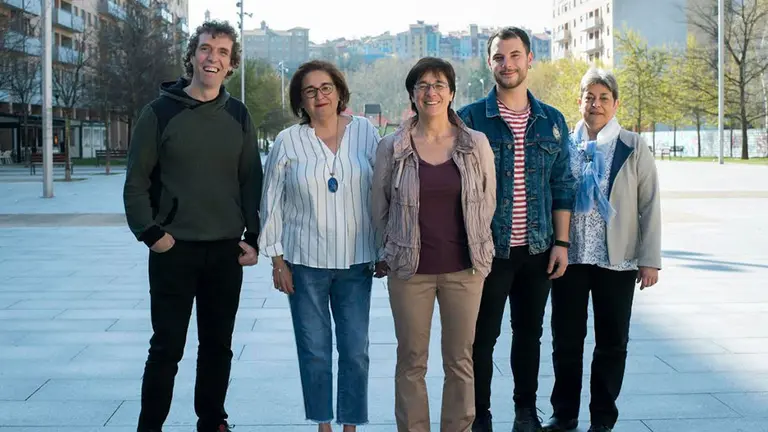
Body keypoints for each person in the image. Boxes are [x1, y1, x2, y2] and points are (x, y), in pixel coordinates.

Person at [123, 20, 262, 432]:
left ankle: (212, 421)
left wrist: (252, 237)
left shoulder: (238, 114)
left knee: (218, 346)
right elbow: (134, 181)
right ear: (192, 56)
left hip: (224, 252)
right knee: (167, 348)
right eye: (205, 49)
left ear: (231, 63)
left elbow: (250, 178)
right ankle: (150, 426)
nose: (212, 58)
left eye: (222, 52)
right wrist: (152, 235)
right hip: (173, 249)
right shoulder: (159, 112)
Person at [456, 27, 577, 432]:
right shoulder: (470, 119)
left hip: (539, 248)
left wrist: (561, 243)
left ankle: (526, 411)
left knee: (529, 334)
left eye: (514, 56)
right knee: (481, 338)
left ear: (529, 60)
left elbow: (562, 186)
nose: (506, 64)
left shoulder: (553, 121)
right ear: (489, 63)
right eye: (498, 57)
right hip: (488, 252)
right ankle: (480, 414)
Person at [372, 57, 497, 432]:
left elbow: (488, 199)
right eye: (423, 85)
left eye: (439, 84)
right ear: (412, 95)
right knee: (412, 360)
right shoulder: (391, 147)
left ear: (452, 93)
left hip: (464, 269)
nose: (431, 91)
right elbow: (379, 207)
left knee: (460, 359)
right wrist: (388, 251)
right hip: (410, 273)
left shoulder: (475, 144)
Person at [258, 59, 381, 432]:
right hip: (304, 263)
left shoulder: (365, 132)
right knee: (314, 351)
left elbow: (381, 191)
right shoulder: (287, 141)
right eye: (309, 91)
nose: (319, 95)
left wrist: (384, 246)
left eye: (326, 87)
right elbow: (271, 202)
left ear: (340, 92)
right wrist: (277, 259)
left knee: (356, 351)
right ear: (301, 100)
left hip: (356, 261)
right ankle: (323, 423)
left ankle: (350, 424)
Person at [541, 68, 661, 432]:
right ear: (578, 102)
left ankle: (602, 418)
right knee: (566, 340)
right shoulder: (565, 145)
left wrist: (649, 260)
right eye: (589, 97)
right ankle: (564, 413)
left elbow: (649, 204)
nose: (595, 105)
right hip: (570, 258)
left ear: (615, 103)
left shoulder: (633, 146)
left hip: (617, 260)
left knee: (612, 342)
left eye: (603, 98)